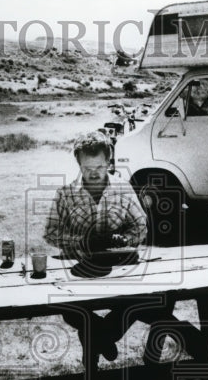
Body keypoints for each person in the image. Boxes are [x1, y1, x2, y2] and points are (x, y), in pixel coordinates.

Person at [44, 131, 148, 360]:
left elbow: (141, 227)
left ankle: (98, 337)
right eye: (87, 168)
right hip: (78, 268)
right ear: (78, 163)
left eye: (99, 167)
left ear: (109, 162)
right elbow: (50, 233)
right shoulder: (66, 194)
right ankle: (103, 338)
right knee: (69, 308)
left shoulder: (122, 188)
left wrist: (125, 239)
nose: (93, 173)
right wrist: (80, 241)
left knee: (144, 299)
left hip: (120, 266)